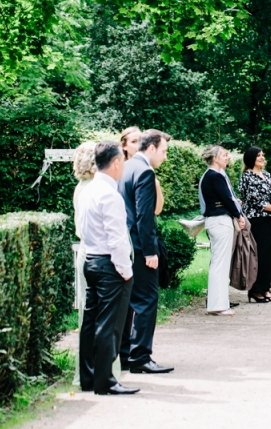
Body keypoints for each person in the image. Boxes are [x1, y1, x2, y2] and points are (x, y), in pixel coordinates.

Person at [77, 142, 138, 395]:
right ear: (115, 163)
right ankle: (106, 381)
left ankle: (88, 378)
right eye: (122, 161)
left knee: (90, 323)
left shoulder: (88, 190)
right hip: (109, 265)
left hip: (91, 260)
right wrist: (126, 270)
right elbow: (117, 238)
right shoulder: (110, 194)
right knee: (109, 325)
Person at [119, 129, 174, 374]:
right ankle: (140, 356)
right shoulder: (144, 171)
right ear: (151, 148)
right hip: (139, 248)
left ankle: (124, 355)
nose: (165, 157)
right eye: (163, 151)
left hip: (126, 246)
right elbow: (144, 216)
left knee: (130, 303)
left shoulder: (126, 167)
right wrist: (150, 252)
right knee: (146, 300)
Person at [200, 145, 245, 315]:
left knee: (219, 263)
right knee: (220, 264)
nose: (228, 158)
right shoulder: (215, 176)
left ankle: (218, 303)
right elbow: (227, 198)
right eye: (225, 155)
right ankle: (217, 305)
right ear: (215, 158)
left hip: (216, 222)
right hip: (220, 222)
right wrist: (239, 215)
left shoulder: (210, 176)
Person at [238, 146, 271, 302]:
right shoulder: (247, 176)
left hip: (270, 220)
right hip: (256, 220)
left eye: (263, 155)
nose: (262, 158)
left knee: (267, 255)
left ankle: (265, 287)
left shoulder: (266, 174)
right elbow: (256, 201)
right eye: (259, 156)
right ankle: (255, 290)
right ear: (251, 158)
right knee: (256, 255)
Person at [121, 126, 164, 215]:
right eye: (134, 142)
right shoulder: (119, 169)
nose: (138, 145)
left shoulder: (147, 169)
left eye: (140, 141)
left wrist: (156, 183)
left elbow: (157, 209)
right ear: (124, 146)